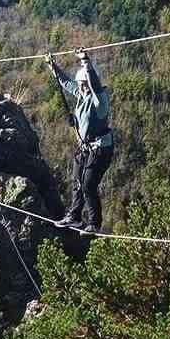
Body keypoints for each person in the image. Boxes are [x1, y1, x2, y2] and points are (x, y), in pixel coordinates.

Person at [45, 49, 114, 234]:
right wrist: (53, 67)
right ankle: (74, 217)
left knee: (88, 185)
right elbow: (67, 83)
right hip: (86, 148)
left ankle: (94, 223)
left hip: (101, 149)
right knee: (77, 181)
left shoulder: (100, 100)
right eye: (80, 84)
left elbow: (95, 85)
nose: (81, 88)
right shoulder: (82, 96)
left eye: (84, 84)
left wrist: (85, 61)